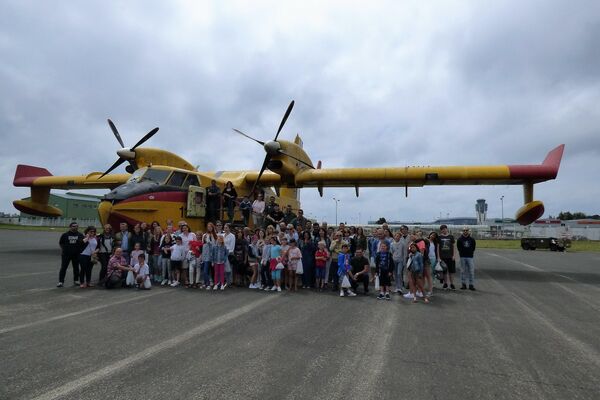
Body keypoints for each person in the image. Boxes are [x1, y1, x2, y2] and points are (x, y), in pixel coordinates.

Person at [58, 222, 84, 287]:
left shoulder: (80, 235)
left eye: (76, 226)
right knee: (63, 268)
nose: (75, 227)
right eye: (73, 226)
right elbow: (61, 243)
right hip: (66, 255)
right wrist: (63, 250)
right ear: (70, 227)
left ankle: (76, 280)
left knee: (76, 268)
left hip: (76, 254)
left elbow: (83, 243)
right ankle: (61, 282)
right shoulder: (65, 235)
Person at [438, 224, 457, 290]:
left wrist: (454, 255)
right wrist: (438, 257)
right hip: (443, 257)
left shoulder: (451, 237)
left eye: (445, 229)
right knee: (444, 272)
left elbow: (454, 246)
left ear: (447, 229)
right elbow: (438, 248)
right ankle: (445, 284)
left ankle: (452, 284)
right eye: (442, 229)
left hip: (450, 257)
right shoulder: (439, 237)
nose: (444, 230)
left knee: (451, 272)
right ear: (441, 230)